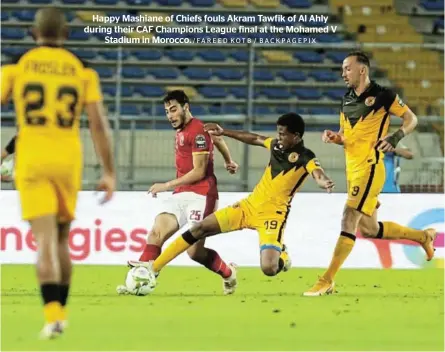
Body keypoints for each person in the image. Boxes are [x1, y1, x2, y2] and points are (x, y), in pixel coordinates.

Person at [0, 7, 115, 338]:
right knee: (63, 239)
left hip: (33, 161)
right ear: (66, 35)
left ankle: (52, 316)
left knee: (45, 240)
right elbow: (98, 125)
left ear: (33, 34)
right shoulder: (83, 73)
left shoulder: (16, 70)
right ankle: (61, 312)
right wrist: (108, 171)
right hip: (67, 161)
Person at [142, 112, 335, 285]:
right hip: (248, 206)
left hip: (272, 216)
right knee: (199, 228)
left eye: (283, 134)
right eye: (278, 132)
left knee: (269, 268)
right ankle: (153, 268)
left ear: (296, 136)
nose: (279, 137)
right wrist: (224, 132)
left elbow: (317, 173)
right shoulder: (276, 145)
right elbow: (254, 138)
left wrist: (324, 181)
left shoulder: (306, 156)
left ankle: (282, 255)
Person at [304, 51, 436, 296]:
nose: (343, 73)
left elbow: (411, 118)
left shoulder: (383, 95)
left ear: (362, 70)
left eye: (347, 68)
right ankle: (422, 237)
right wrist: (335, 138)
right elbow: (346, 136)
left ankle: (327, 279)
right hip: (353, 169)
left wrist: (396, 136)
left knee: (349, 217)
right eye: (343, 69)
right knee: (370, 229)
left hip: (371, 167)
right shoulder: (345, 100)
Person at [125, 90, 239, 295]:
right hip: (181, 193)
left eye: (174, 109)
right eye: (167, 111)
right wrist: (228, 160)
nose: (170, 115)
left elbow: (199, 171)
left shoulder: (198, 131)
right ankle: (140, 277)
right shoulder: (187, 129)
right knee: (155, 233)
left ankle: (229, 273)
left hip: (202, 195)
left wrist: (166, 185)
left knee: (194, 252)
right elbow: (218, 139)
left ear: (186, 107)